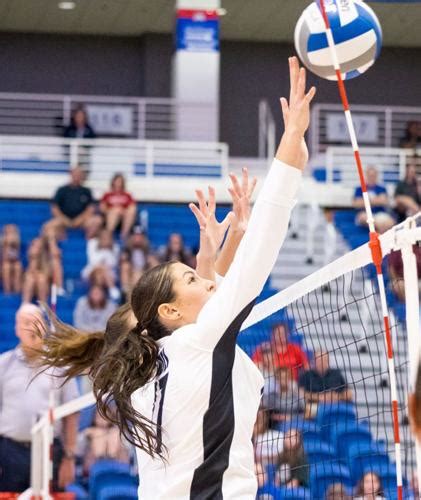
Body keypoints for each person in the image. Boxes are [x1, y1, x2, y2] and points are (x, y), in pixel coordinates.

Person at [37, 56, 316, 499]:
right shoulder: (192, 346)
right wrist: (288, 156)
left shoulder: (157, 366)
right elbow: (250, 269)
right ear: (168, 311)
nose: (205, 280)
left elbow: (216, 300)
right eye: (191, 278)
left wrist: (218, 252)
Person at [0, 304, 79, 492]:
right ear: (17, 329)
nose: (31, 328)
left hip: (50, 451)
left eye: (36, 322)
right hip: (10, 452)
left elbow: (72, 414)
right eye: (26, 323)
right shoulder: (4, 364)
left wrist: (69, 457)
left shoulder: (60, 366)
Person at [46, 166, 101, 238]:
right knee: (48, 226)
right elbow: (54, 208)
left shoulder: (86, 191)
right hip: (63, 220)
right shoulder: (62, 190)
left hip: (82, 221)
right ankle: (55, 247)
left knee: (97, 220)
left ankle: (85, 243)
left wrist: (80, 220)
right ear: (71, 174)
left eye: (79, 174)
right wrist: (65, 220)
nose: (77, 176)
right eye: (75, 174)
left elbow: (90, 209)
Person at [298, 350, 352, 418]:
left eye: (324, 359)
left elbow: (349, 394)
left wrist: (337, 397)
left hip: (335, 405)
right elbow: (301, 394)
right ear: (313, 361)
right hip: (315, 407)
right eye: (319, 359)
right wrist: (320, 397)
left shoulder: (336, 373)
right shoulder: (306, 375)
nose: (322, 362)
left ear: (328, 360)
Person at [22, 229, 64, 303]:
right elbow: (30, 273)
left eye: (38, 245)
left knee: (42, 279)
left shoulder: (47, 257)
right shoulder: (31, 257)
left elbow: (48, 273)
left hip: (45, 285)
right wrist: (33, 258)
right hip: (31, 284)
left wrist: (51, 240)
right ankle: (25, 304)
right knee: (30, 279)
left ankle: (43, 305)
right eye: (34, 245)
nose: (37, 247)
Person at [82, 408, 129, 473]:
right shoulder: (89, 432)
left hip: (116, 461)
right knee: (98, 433)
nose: (102, 419)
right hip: (95, 462)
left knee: (115, 433)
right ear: (94, 418)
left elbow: (127, 448)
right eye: (99, 417)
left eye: (105, 416)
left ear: (110, 417)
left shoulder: (116, 432)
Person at [352, 166, 394, 232]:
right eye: (370, 175)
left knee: (390, 222)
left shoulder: (381, 188)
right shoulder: (359, 189)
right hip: (364, 214)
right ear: (366, 176)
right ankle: (379, 234)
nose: (372, 178)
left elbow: (384, 201)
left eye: (373, 175)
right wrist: (377, 200)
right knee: (365, 218)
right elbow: (356, 204)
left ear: (376, 176)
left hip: (379, 214)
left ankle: (379, 235)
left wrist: (366, 201)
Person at [82, 229, 120, 299]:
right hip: (92, 270)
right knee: (100, 270)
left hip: (109, 273)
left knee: (100, 274)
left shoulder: (115, 247)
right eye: (103, 237)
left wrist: (107, 249)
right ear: (99, 237)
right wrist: (103, 249)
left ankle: (99, 296)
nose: (105, 239)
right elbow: (92, 261)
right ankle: (111, 288)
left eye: (107, 237)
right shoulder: (92, 243)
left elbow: (113, 263)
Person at [100, 173, 137, 241]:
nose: (118, 183)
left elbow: (133, 208)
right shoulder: (107, 195)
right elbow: (102, 208)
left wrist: (121, 211)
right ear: (113, 182)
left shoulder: (127, 195)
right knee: (115, 211)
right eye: (117, 181)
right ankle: (109, 235)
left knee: (130, 213)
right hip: (110, 217)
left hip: (124, 218)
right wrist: (114, 210)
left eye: (120, 181)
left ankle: (124, 235)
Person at [1, 224, 23, 294]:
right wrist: (7, 245)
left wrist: (12, 245)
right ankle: (7, 292)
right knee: (6, 266)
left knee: (18, 266)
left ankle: (16, 292)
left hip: (15, 267)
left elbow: (16, 258)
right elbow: (4, 258)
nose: (11, 236)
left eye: (13, 233)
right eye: (8, 233)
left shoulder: (20, 246)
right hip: (2, 267)